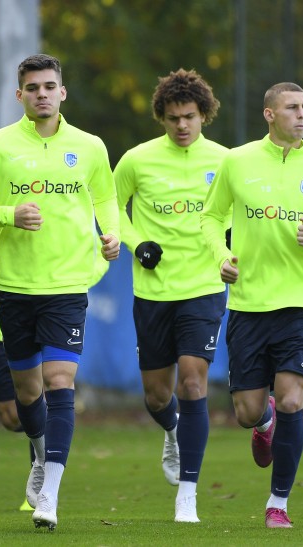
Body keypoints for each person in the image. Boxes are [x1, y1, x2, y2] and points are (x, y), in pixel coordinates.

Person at [0, 53, 120, 532]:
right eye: (33, 87)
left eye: (50, 86)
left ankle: (51, 493)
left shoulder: (89, 147)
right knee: (27, 393)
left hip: (67, 287)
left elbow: (105, 198)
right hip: (14, 291)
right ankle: (41, 458)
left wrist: (112, 234)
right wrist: (6, 214)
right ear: (19, 94)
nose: (42, 94)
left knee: (60, 382)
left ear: (62, 92)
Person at [200, 82, 303, 529]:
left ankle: (278, 504)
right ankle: (262, 422)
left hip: (302, 303)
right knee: (248, 410)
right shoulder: (237, 160)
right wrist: (221, 259)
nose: (302, 115)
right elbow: (211, 219)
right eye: (292, 108)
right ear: (269, 114)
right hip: (249, 304)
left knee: (291, 399)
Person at [112, 68, 228, 523]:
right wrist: (137, 243)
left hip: (203, 288)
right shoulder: (136, 160)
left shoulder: (225, 161)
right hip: (154, 292)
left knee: (194, 383)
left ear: (204, 116)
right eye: (174, 117)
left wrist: (230, 253)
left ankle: (188, 494)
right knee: (158, 396)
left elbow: (240, 216)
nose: (182, 126)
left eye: (191, 117)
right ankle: (172, 429)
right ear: (161, 116)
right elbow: (109, 209)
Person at [0, 226, 109, 512]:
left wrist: (72, 280)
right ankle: (43, 449)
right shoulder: (3, 210)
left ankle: (45, 479)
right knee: (11, 414)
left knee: (55, 385)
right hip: (7, 324)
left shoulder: (69, 206)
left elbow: (100, 256)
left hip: (57, 307)